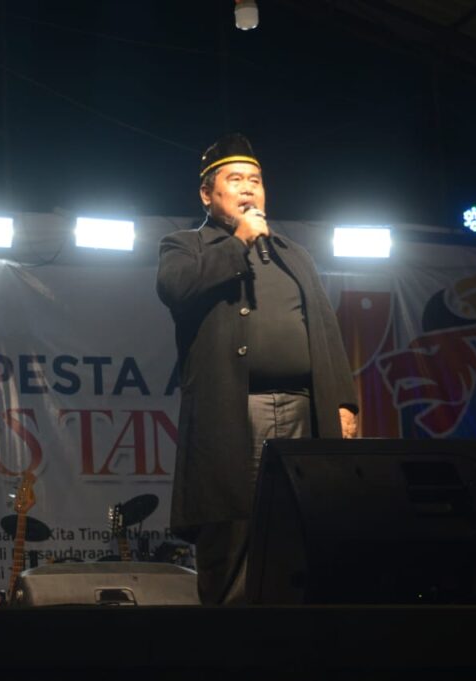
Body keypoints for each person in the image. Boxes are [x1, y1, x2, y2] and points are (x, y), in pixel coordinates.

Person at [156, 133, 358, 605]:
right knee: (234, 536)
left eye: (256, 180)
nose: (249, 188)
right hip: (235, 412)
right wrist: (239, 243)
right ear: (207, 194)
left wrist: (343, 402)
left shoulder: (293, 253)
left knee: (301, 532)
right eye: (235, 179)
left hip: (302, 410)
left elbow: (324, 329)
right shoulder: (186, 246)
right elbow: (175, 288)